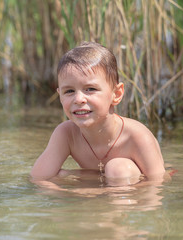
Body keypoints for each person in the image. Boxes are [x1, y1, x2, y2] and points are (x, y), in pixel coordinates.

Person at [30, 42, 165, 186]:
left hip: (127, 195)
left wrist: (89, 191)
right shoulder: (66, 134)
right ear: (60, 96)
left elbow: (158, 185)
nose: (79, 99)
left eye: (90, 89)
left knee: (118, 169)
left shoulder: (137, 137)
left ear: (116, 94)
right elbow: (38, 178)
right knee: (57, 176)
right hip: (99, 190)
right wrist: (66, 195)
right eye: (69, 91)